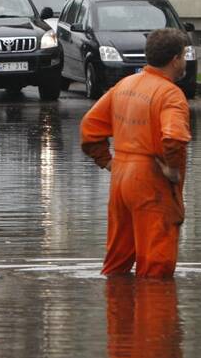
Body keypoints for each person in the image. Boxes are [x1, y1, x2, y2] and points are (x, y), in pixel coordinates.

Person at [80, 28, 192, 278]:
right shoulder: (170, 94)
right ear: (175, 59)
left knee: (116, 265)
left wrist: (108, 162)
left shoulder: (125, 85)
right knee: (156, 268)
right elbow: (173, 137)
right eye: (184, 55)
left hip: (121, 178)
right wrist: (172, 170)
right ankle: (155, 314)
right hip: (151, 182)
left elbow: (89, 127)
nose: (185, 60)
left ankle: (118, 312)